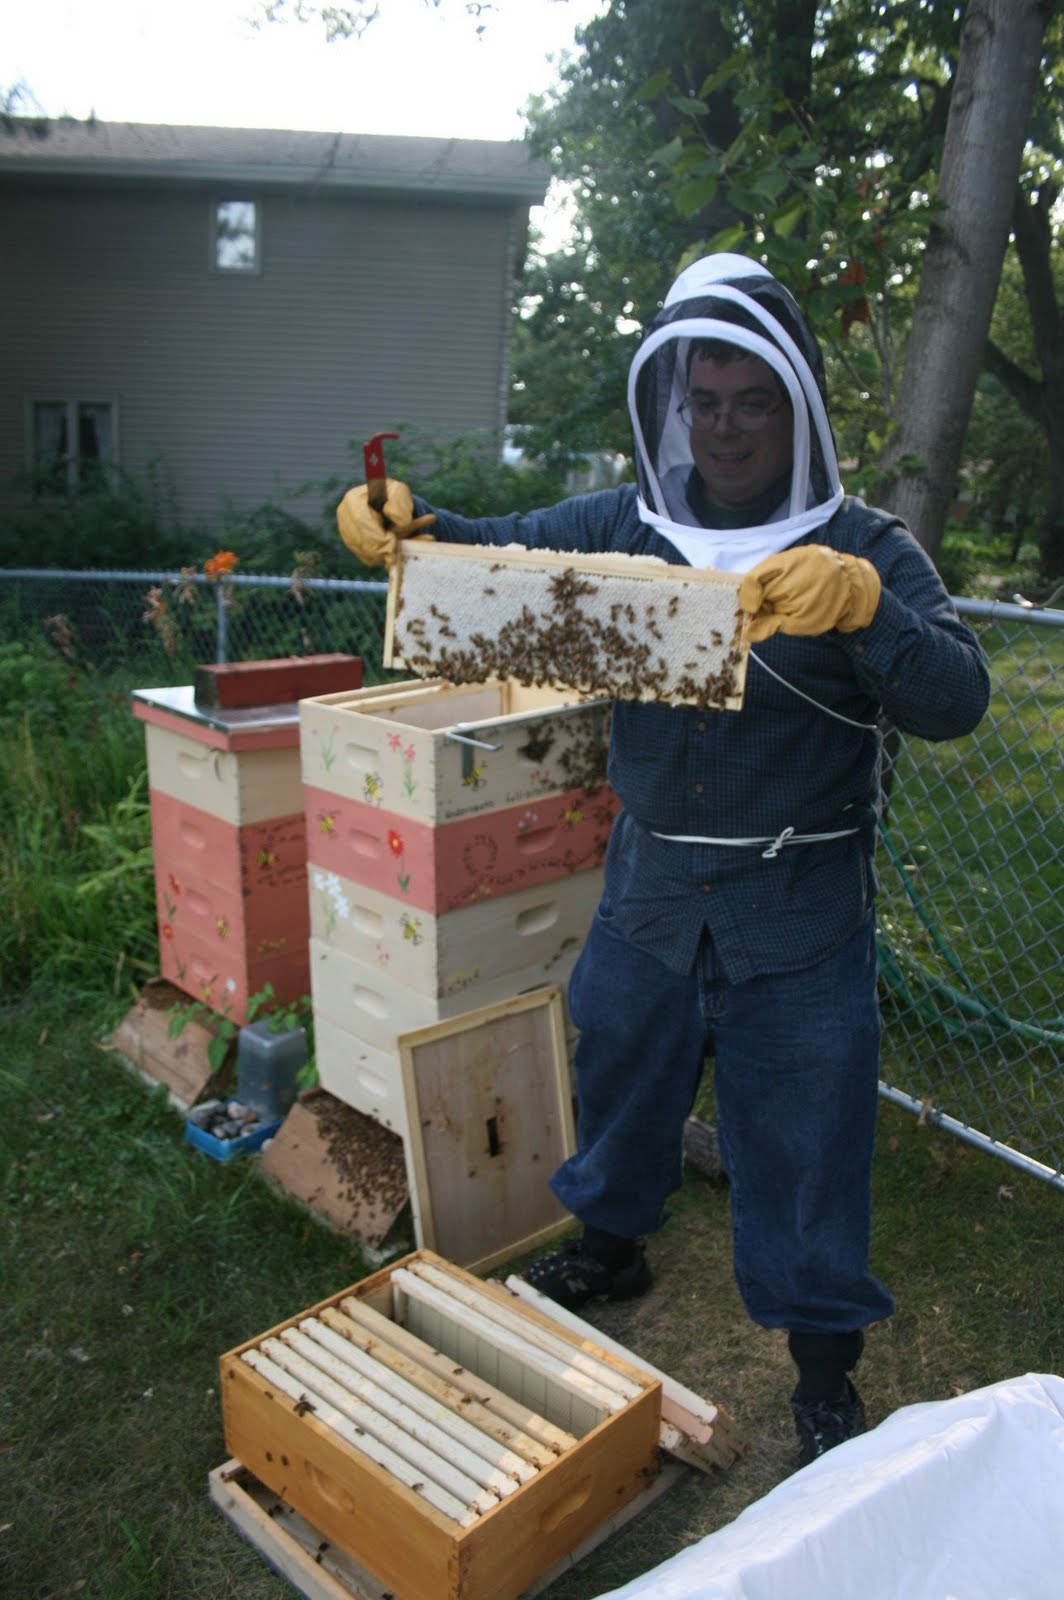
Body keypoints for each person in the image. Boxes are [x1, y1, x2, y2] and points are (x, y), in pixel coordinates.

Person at [336, 254, 990, 1467]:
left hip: (798, 899)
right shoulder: (624, 524)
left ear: (793, 407)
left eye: (752, 400)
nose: (726, 425)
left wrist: (865, 608)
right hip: (647, 880)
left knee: (805, 1129)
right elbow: (496, 563)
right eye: (704, 399)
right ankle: (612, 1242)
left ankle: (820, 1365)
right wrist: (411, 535)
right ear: (671, 405)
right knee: (620, 1070)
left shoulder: (865, 545)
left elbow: (956, 697)